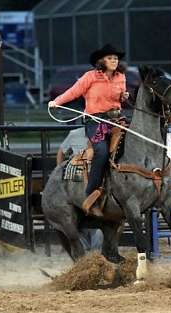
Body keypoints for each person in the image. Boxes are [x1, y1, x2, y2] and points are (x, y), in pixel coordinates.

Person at [48, 44, 129, 217]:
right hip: (95, 121)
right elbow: (73, 92)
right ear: (102, 61)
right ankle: (90, 193)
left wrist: (124, 96)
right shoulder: (90, 76)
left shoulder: (121, 77)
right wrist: (57, 102)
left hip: (116, 119)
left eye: (116, 58)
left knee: (132, 143)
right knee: (100, 151)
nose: (114, 61)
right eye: (110, 58)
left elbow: (120, 97)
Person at [56, 126, 104, 252]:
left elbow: (61, 151)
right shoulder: (75, 133)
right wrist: (59, 170)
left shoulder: (103, 131)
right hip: (79, 171)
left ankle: (91, 253)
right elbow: (61, 151)